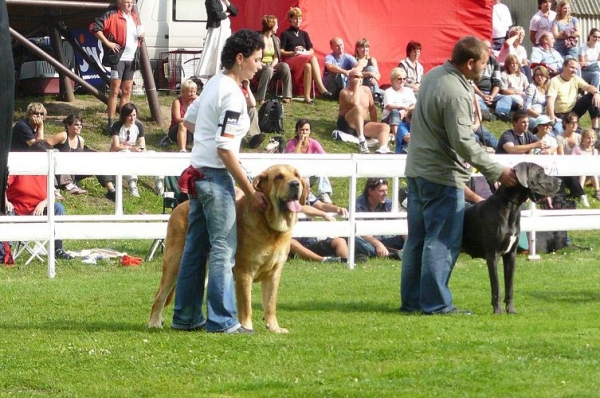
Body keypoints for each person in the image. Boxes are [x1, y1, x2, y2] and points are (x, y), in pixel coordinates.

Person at [401, 36, 518, 315]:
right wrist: (497, 169)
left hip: (417, 171)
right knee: (441, 240)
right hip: (441, 176)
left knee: (417, 239)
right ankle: (437, 304)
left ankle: (412, 302)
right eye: (483, 62)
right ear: (469, 63)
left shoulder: (432, 76)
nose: (485, 68)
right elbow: (463, 141)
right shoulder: (455, 91)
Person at [172, 29, 267, 334]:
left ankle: (185, 317)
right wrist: (251, 191)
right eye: (256, 59)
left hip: (198, 176)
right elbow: (226, 149)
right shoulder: (233, 96)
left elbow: (187, 121)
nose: (260, 65)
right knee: (223, 249)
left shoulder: (214, 82)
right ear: (240, 59)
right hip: (215, 177)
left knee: (195, 249)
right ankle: (223, 320)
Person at [5, 140, 73, 260]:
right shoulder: (18, 168)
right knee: (7, 211)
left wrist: (43, 203)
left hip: (37, 212)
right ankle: (6, 252)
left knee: (58, 207)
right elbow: (2, 189)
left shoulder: (45, 172)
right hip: (16, 212)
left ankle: (57, 249)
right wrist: (6, 201)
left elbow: (51, 194)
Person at [90, 0, 144, 134]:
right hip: (118, 58)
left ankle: (124, 121)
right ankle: (111, 122)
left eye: (131, 2)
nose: (130, 4)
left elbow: (137, 37)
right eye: (127, 2)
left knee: (126, 91)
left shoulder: (134, 17)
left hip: (131, 58)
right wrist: (108, 43)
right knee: (114, 90)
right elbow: (94, 27)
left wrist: (141, 37)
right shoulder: (112, 15)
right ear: (120, 3)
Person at [46, 114, 118, 200]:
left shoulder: (81, 140)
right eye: (76, 125)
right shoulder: (63, 136)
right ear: (68, 126)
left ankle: (111, 190)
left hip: (74, 172)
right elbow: (44, 146)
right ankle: (66, 185)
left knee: (97, 160)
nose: (79, 127)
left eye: (80, 125)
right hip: (59, 170)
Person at [289, 190, 364, 263]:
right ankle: (322, 260)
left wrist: (337, 209)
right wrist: (323, 214)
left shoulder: (308, 194)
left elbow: (321, 205)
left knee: (340, 241)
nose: (309, 190)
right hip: (293, 241)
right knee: (291, 242)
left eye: (309, 188)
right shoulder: (287, 195)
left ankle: (346, 261)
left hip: (311, 240)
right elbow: (300, 208)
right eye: (306, 188)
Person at [110, 103, 164, 197]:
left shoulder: (138, 126)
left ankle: (159, 184)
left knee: (153, 154)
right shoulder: (117, 126)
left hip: (133, 151)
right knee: (126, 153)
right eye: (130, 116)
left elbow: (142, 143)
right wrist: (131, 148)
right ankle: (132, 185)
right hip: (120, 153)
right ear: (125, 116)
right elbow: (116, 146)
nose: (132, 118)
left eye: (134, 115)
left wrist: (141, 149)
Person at [279, 7, 332, 104]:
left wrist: (304, 51)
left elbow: (311, 50)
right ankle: (321, 88)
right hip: (291, 58)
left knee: (308, 65)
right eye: (295, 18)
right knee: (313, 57)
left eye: (299, 18)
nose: (298, 21)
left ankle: (307, 97)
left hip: (304, 57)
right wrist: (292, 52)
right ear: (290, 19)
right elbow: (281, 51)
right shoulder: (285, 34)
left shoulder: (304, 34)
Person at [337, 70, 392, 154]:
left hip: (362, 123)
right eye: (356, 77)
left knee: (385, 127)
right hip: (347, 123)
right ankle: (361, 140)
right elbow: (354, 102)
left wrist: (374, 123)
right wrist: (356, 86)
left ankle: (383, 148)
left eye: (361, 77)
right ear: (349, 79)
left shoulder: (366, 90)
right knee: (358, 108)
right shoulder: (344, 92)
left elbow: (372, 108)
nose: (359, 79)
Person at [546, 57, 600, 135]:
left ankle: (595, 129)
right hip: (560, 114)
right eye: (571, 67)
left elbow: (588, 87)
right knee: (578, 133)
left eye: (576, 68)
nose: (574, 70)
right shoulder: (555, 81)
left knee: (592, 95)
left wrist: (596, 93)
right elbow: (550, 100)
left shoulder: (575, 78)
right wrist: (552, 116)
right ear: (564, 67)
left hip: (573, 110)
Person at [354, 178, 404, 260]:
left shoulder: (388, 203)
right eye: (381, 191)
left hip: (383, 239)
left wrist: (407, 243)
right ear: (370, 191)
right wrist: (378, 245)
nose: (385, 194)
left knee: (406, 238)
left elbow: (401, 224)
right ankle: (390, 255)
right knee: (354, 241)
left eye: (386, 190)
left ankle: (399, 252)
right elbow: (361, 232)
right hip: (366, 241)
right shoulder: (358, 205)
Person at [285, 119, 333, 204]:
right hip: (295, 175)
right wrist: (300, 142)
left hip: (310, 174)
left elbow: (324, 156)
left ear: (310, 131)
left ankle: (324, 193)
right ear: (297, 131)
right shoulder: (292, 143)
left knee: (322, 168)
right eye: (302, 130)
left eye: (307, 130)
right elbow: (291, 158)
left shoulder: (313, 143)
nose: (304, 132)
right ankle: (305, 199)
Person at [194, 0, 238, 83]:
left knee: (224, 50)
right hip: (216, 30)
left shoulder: (224, 1)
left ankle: (222, 72)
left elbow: (235, 12)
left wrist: (227, 3)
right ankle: (213, 74)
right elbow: (216, 15)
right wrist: (227, 13)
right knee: (214, 51)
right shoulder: (211, 1)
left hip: (225, 30)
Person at [254, 15, 292, 105]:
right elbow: (255, 58)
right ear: (271, 26)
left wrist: (272, 65)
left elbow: (276, 57)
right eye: (276, 25)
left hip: (271, 65)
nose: (278, 27)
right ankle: (260, 97)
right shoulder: (258, 39)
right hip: (260, 66)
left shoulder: (276, 39)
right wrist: (266, 66)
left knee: (285, 66)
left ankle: (287, 95)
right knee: (268, 69)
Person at [472, 40, 510, 122]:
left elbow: (497, 82)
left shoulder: (494, 62)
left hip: (490, 93)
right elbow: (470, 82)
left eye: (489, 48)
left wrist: (492, 96)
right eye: (484, 47)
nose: (487, 49)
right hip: (477, 93)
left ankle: (501, 113)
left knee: (506, 98)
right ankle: (487, 113)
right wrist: (482, 95)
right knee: (475, 98)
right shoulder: (474, 61)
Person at [556, 112, 587, 206]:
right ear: (565, 123)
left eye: (576, 122)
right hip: (565, 166)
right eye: (572, 123)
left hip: (579, 165)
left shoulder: (579, 137)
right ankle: (581, 195)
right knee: (569, 173)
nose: (574, 125)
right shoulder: (560, 138)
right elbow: (561, 156)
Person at [382, 67, 416, 142]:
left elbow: (414, 104)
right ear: (392, 80)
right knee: (395, 112)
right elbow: (389, 106)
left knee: (415, 112)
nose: (402, 81)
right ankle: (396, 136)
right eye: (399, 79)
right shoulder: (388, 91)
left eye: (404, 79)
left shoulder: (409, 91)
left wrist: (405, 112)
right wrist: (402, 107)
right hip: (390, 118)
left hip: (407, 115)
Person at [167, 79, 198, 153]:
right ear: (183, 92)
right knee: (182, 124)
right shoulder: (177, 101)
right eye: (190, 91)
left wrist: (198, 100)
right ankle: (182, 149)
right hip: (177, 130)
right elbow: (177, 118)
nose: (192, 94)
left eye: (194, 91)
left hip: (192, 129)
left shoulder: (198, 101)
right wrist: (190, 120)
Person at [575, 128, 600, 201]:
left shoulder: (594, 151)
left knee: (593, 172)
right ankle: (580, 192)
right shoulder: (578, 149)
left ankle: (597, 191)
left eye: (592, 138)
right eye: (588, 138)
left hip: (590, 175)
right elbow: (573, 161)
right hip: (578, 174)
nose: (590, 140)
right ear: (583, 139)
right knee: (584, 172)